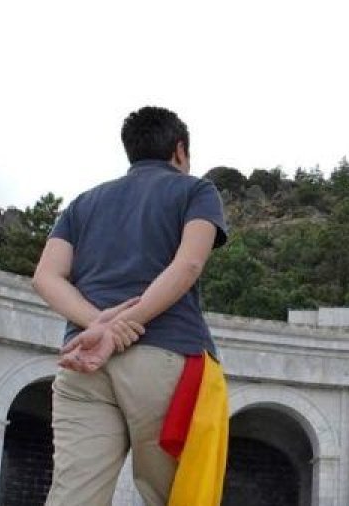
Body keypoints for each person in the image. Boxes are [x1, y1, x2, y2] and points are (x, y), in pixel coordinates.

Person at [32, 106, 229, 506]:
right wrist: (125, 325)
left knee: (73, 495)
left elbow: (46, 277)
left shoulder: (81, 204)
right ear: (180, 150)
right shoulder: (196, 190)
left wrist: (97, 326)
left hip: (83, 361)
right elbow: (189, 263)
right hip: (166, 356)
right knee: (172, 495)